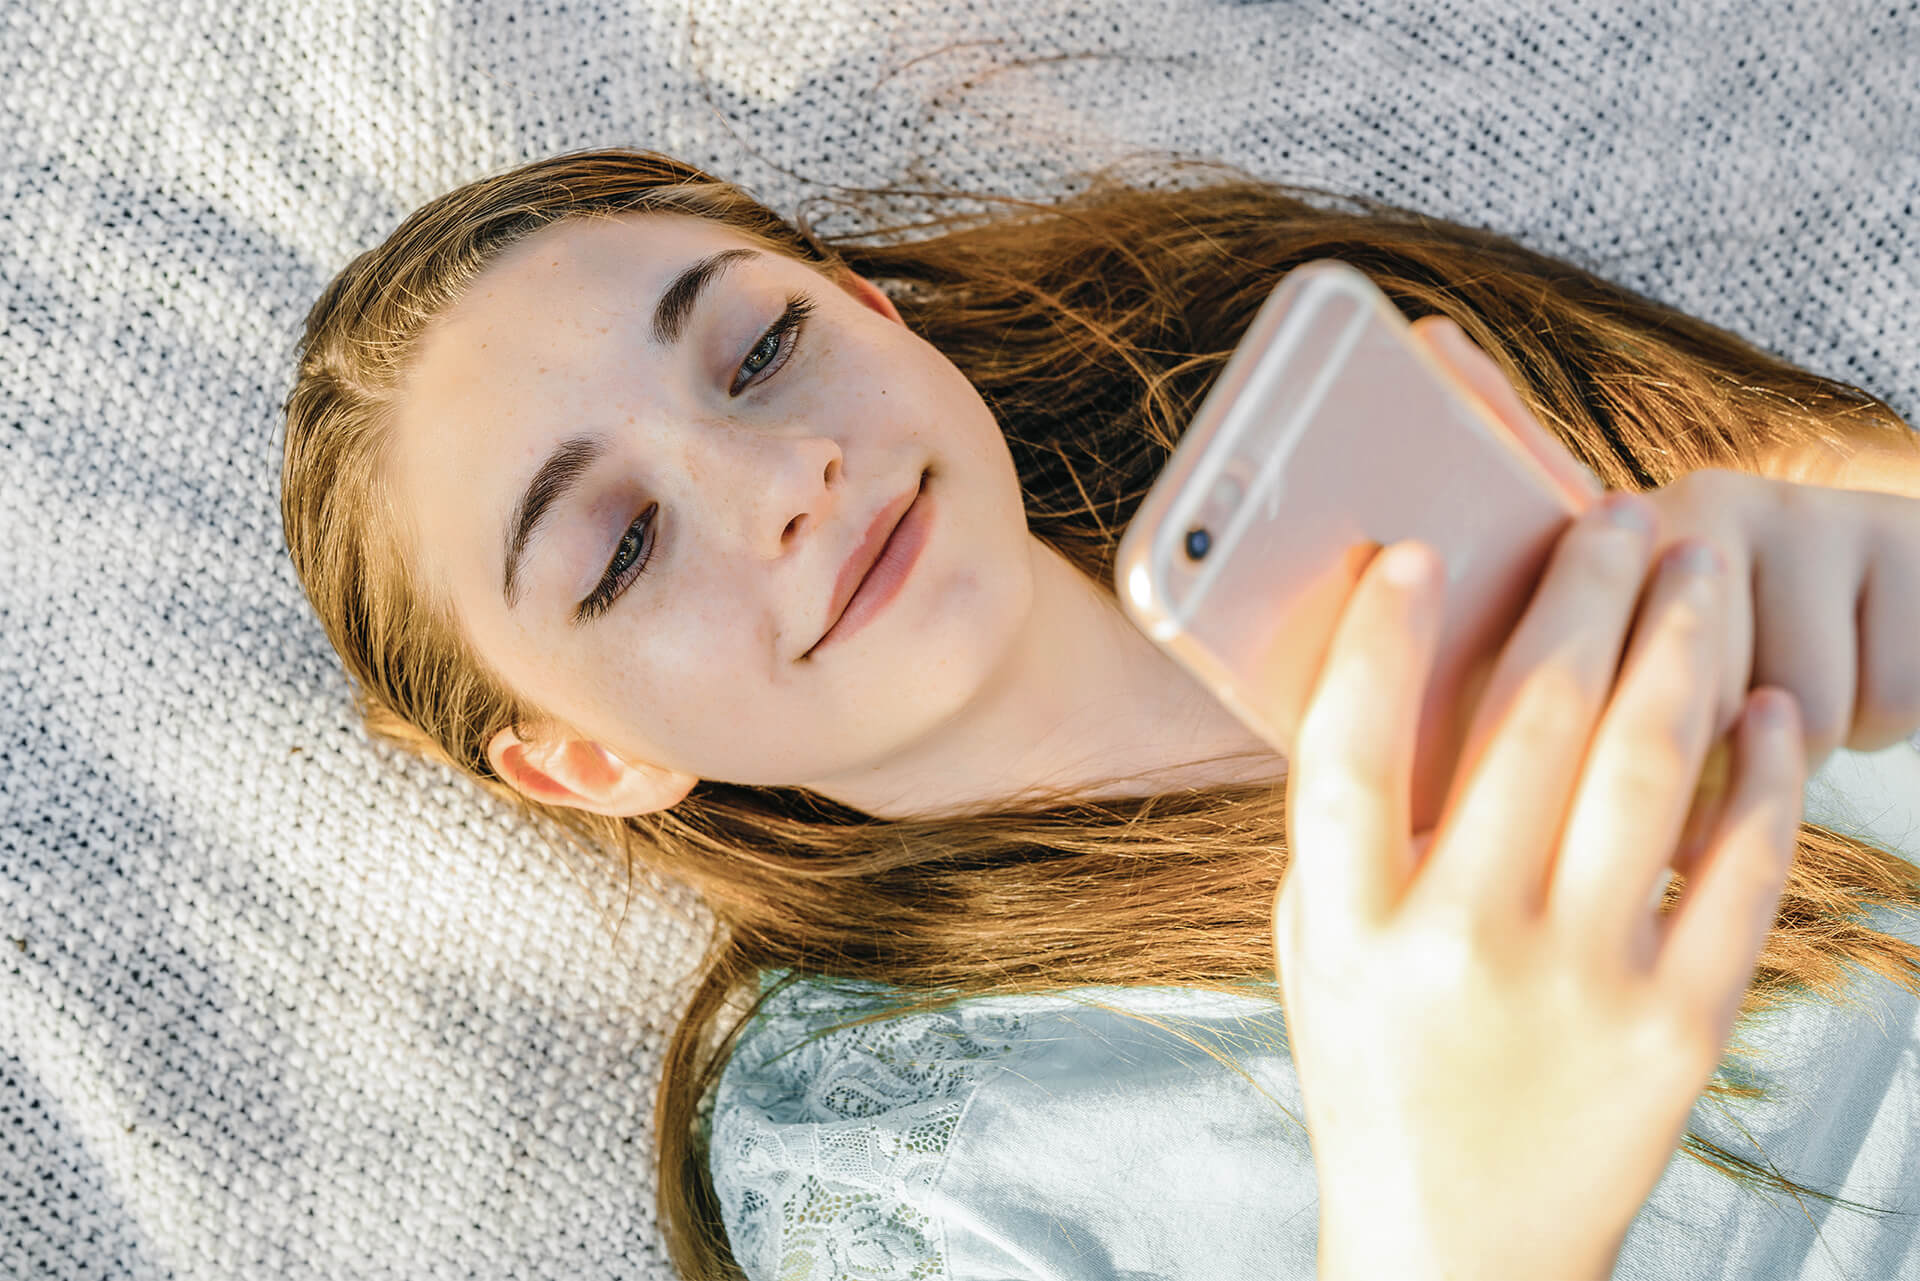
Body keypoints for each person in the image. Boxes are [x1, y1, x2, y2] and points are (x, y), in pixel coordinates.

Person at [278, 148, 1920, 1279]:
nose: (786, 484)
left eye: (763, 345)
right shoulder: (858, 1167)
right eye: (624, 547)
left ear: (877, 311)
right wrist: (1465, 1223)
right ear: (589, 760)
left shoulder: (1353, 372)